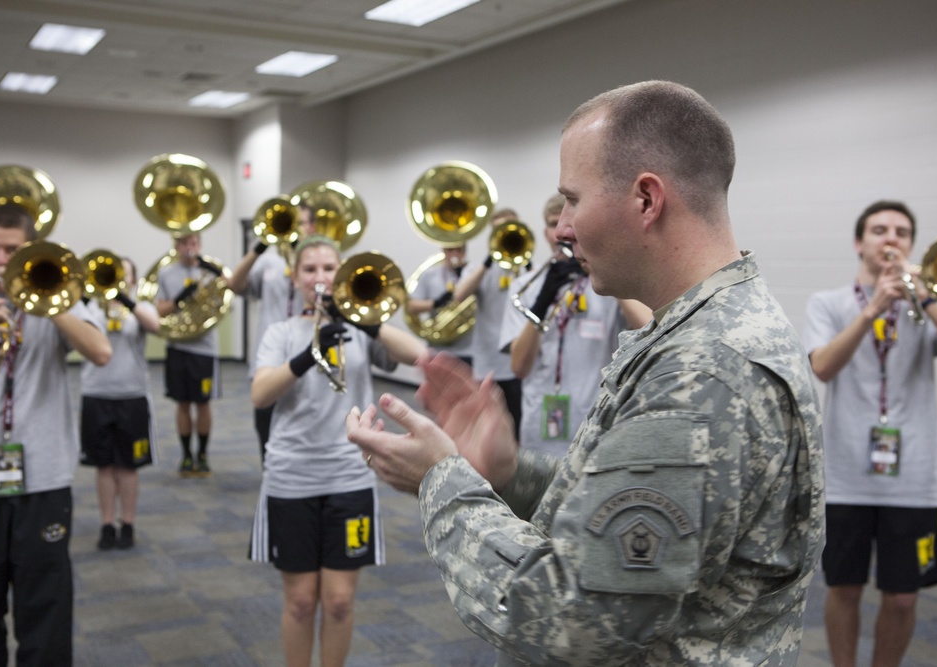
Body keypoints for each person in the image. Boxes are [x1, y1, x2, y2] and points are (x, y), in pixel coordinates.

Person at [346, 80, 825, 665]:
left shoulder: (705, 370)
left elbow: (574, 621)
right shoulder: (708, 329)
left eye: (572, 200)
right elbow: (639, 522)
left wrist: (441, 480)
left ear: (647, 200)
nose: (562, 228)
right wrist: (508, 473)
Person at [802, 200, 937, 667]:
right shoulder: (830, 303)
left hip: (915, 480)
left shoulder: (924, 307)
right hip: (845, 477)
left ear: (912, 245)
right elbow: (822, 367)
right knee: (844, 588)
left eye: (900, 232)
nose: (890, 239)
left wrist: (930, 301)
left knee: (902, 598)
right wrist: (872, 309)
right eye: (879, 230)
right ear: (860, 242)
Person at [248, 236, 425, 667]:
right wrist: (309, 354)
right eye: (309, 269)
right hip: (291, 478)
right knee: (301, 602)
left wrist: (365, 322)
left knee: (341, 601)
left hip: (350, 477)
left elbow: (418, 354)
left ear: (341, 273)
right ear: (295, 278)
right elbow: (260, 395)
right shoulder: (281, 331)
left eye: (329, 268)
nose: (320, 277)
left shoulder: (360, 333)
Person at [0, 203, 112, 666]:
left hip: (44, 480)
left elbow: (100, 351)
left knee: (46, 612)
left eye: (10, 249)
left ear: (28, 250)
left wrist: (46, 303)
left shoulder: (59, 293)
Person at [500, 193, 651, 454]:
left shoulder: (606, 285)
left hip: (596, 427)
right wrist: (542, 302)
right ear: (546, 231)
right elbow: (518, 367)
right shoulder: (526, 286)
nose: (560, 234)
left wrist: (603, 271)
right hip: (539, 426)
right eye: (551, 224)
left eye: (571, 224)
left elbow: (650, 327)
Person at [79, 257, 160, 550]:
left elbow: (155, 325)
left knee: (128, 466)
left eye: (124, 276)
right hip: (96, 394)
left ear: (133, 281)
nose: (118, 281)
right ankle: (106, 524)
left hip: (132, 396)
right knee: (103, 466)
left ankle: (128, 523)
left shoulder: (140, 306)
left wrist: (124, 299)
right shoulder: (90, 308)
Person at [228, 204, 315, 464]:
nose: (295, 229)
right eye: (292, 222)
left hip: (307, 351)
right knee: (264, 422)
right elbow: (234, 284)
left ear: (311, 227)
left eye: (301, 223)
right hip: (270, 354)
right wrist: (258, 248)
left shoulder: (316, 265)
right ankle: (272, 474)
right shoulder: (268, 260)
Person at [451, 207, 526, 439]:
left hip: (518, 361)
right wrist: (487, 261)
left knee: (518, 425)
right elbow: (459, 295)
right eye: (498, 230)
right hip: (488, 361)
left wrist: (526, 263)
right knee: (488, 427)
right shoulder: (479, 269)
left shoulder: (525, 266)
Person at [153, 231, 224, 477]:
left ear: (200, 244)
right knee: (182, 403)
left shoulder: (212, 271)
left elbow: (227, 295)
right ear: (176, 245)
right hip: (178, 346)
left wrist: (209, 269)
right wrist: (179, 299)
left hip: (205, 348)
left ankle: (203, 454)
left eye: (193, 242)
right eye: (184, 243)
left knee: (203, 403)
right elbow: (160, 310)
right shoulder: (166, 273)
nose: (189, 247)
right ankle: (185, 455)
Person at [406, 243, 474, 365]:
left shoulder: (473, 274)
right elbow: (410, 306)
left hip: (468, 349)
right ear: (443, 250)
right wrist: (436, 303)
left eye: (458, 250)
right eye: (450, 250)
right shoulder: (430, 275)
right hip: (437, 349)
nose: (454, 254)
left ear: (464, 252)